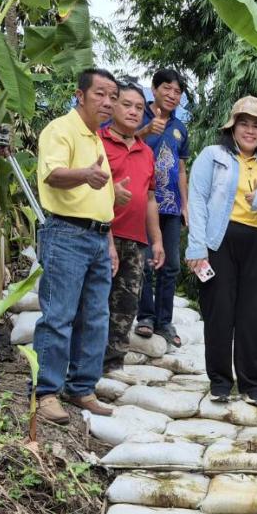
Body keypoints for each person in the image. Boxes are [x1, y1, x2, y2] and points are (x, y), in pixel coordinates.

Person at [31, 67, 118, 425]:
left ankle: (81, 387)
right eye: (100, 94)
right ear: (79, 95)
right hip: (66, 234)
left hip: (98, 236)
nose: (108, 102)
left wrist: (110, 243)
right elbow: (52, 174)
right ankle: (47, 392)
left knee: (96, 317)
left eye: (112, 96)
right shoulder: (61, 129)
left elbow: (102, 198)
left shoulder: (97, 139)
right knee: (59, 315)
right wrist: (84, 174)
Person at [185, 96, 257, 405]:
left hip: (256, 243)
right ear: (233, 127)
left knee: (252, 316)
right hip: (219, 241)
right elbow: (197, 201)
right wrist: (196, 246)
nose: (250, 131)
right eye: (245, 124)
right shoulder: (213, 156)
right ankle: (220, 383)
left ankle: (252, 385)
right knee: (219, 313)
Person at [101, 80, 165, 372]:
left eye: (139, 107)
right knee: (96, 304)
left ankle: (113, 366)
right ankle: (86, 367)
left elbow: (150, 198)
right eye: (126, 104)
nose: (133, 111)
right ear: (113, 105)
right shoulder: (98, 142)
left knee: (126, 307)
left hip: (136, 241)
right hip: (101, 235)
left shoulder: (146, 152)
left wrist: (158, 240)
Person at [134, 68, 191, 346]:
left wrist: (186, 204)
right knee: (145, 262)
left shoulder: (180, 128)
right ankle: (145, 316)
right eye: (167, 88)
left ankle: (164, 321)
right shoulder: (137, 116)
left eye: (177, 91)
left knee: (170, 266)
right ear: (154, 89)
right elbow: (122, 146)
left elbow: (181, 169)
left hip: (170, 206)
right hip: (142, 202)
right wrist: (145, 130)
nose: (172, 95)